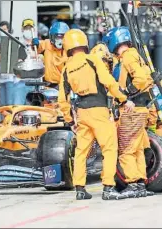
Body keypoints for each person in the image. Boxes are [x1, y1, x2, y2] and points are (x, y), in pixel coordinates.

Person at [58, 29, 135, 200]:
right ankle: (108, 188)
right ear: (85, 43)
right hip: (99, 111)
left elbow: (62, 100)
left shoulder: (66, 68)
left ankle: (80, 189)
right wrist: (123, 99)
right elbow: (108, 82)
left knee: (81, 152)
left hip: (81, 113)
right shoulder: (92, 60)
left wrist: (70, 120)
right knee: (109, 148)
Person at [104, 26, 154, 197]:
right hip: (142, 107)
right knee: (138, 149)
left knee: (126, 149)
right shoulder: (135, 55)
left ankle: (132, 184)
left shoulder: (128, 57)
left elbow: (140, 78)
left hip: (133, 108)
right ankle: (140, 184)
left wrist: (125, 94)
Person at [32, 21, 70, 89]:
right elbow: (37, 48)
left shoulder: (69, 50)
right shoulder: (47, 43)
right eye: (57, 37)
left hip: (63, 86)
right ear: (52, 37)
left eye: (62, 37)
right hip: (47, 85)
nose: (60, 40)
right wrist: (36, 44)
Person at [12, 18, 39, 105]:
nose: (28, 30)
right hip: (20, 82)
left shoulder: (38, 44)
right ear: (22, 30)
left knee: (34, 110)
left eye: (30, 28)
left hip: (35, 83)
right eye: (26, 28)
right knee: (18, 109)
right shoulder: (17, 43)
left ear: (34, 29)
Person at [0, 21, 15, 106]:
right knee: (2, 104)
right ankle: (5, 119)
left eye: (5, 29)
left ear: (9, 30)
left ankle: (10, 119)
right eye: (1, 30)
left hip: (10, 79)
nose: (3, 32)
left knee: (9, 103)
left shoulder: (13, 42)